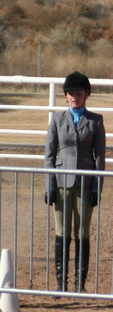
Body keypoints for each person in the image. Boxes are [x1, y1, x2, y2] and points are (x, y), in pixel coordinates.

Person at [44, 71, 105, 292]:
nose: (74, 97)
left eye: (78, 93)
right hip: (62, 182)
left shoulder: (96, 121)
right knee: (62, 231)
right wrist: (49, 185)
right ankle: (62, 282)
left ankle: (80, 283)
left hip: (86, 181)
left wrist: (97, 187)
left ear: (86, 94)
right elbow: (49, 154)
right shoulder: (58, 119)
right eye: (70, 94)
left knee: (83, 232)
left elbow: (100, 156)